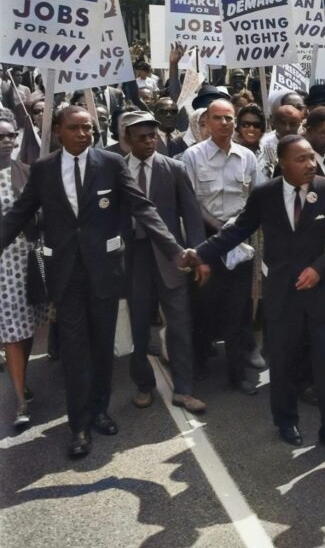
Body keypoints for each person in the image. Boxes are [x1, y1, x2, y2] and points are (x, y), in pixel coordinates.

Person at [0, 105, 185, 458]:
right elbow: (19, 215)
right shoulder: (43, 170)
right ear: (58, 131)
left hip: (104, 273)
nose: (84, 134)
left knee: (102, 347)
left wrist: (174, 249)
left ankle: (99, 409)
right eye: (75, 128)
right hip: (65, 275)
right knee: (74, 350)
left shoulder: (111, 164)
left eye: (88, 128)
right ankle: (79, 426)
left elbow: (142, 208)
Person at [184, 135, 325, 454]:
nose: (310, 164)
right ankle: (286, 422)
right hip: (282, 295)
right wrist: (201, 253)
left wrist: (319, 267)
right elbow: (236, 230)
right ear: (282, 163)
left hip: (321, 295)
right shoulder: (265, 194)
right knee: (283, 363)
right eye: (301, 159)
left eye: (311, 158)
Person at [121, 111, 209, 414]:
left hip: (172, 258)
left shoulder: (174, 168)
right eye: (141, 137)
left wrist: (197, 255)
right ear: (126, 139)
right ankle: (144, 385)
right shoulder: (116, 170)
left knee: (180, 324)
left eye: (152, 136)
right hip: (134, 257)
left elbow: (192, 216)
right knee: (139, 325)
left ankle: (184, 390)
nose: (149, 142)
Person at [181, 98, 260, 395]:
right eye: (218, 118)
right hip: (206, 243)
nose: (224, 124)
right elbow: (190, 203)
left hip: (240, 244)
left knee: (238, 312)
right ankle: (199, 365)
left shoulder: (247, 157)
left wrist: (237, 230)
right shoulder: (192, 157)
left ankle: (237, 374)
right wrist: (218, 230)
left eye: (229, 118)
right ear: (207, 122)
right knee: (204, 307)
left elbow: (254, 200)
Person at [0, 112, 43, 430]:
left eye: (11, 136)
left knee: (26, 330)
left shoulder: (26, 172)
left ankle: (21, 376)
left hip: (27, 261)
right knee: (13, 334)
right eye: (0, 136)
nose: (7, 142)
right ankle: (20, 401)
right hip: (2, 268)